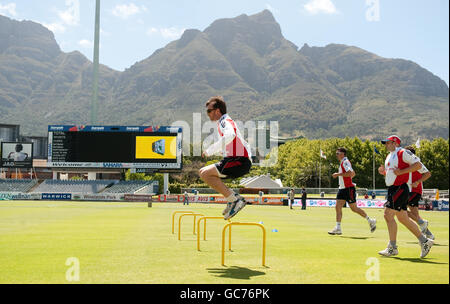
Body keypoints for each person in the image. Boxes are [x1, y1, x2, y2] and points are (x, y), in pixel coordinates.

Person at [377, 135, 434, 258]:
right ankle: (425, 242)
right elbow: (393, 173)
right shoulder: (389, 156)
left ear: (395, 143)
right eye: (385, 143)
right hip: (394, 188)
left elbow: (418, 165)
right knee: (402, 218)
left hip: (400, 187)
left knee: (388, 215)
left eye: (387, 143)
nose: (385, 145)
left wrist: (402, 172)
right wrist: (384, 172)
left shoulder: (402, 152)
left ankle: (392, 247)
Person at [199, 96, 252, 220]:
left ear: (217, 111)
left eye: (209, 111)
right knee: (203, 173)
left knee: (205, 174)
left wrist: (210, 150)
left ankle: (234, 200)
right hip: (235, 159)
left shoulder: (224, 121)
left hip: (239, 160)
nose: (208, 115)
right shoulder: (223, 122)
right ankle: (232, 199)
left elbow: (231, 135)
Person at [328, 147, 377, 235]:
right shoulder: (343, 162)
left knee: (354, 208)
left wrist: (338, 174)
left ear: (342, 154)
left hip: (348, 189)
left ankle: (370, 220)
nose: (336, 155)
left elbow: (351, 173)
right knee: (337, 207)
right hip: (342, 188)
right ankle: (338, 227)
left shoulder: (345, 162)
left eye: (337, 153)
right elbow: (353, 173)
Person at [404, 146, 434, 240]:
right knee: (415, 215)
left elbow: (428, 174)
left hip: (414, 191)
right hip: (411, 191)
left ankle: (422, 223)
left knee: (400, 209)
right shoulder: (407, 164)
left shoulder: (416, 163)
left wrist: (417, 182)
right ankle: (429, 234)